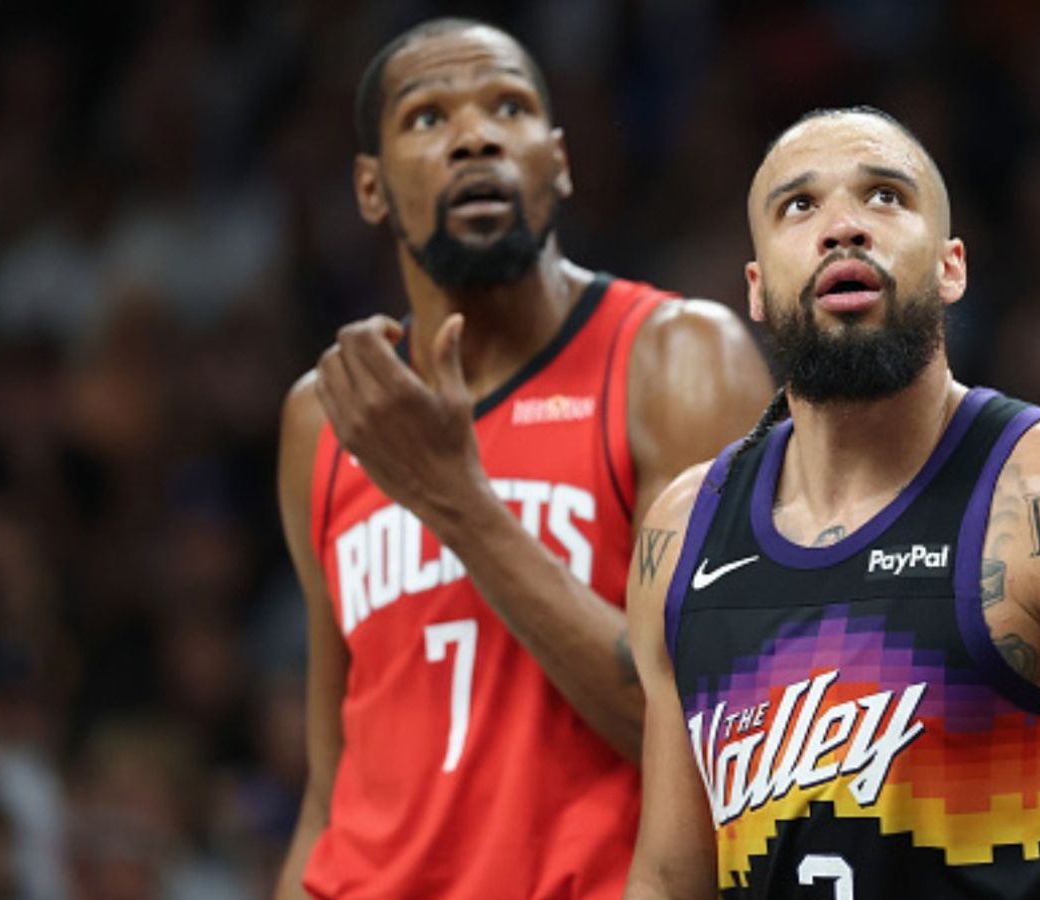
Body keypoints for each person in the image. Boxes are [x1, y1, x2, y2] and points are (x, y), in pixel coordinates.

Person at [622, 107, 1040, 899]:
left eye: (884, 197)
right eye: (799, 206)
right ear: (758, 289)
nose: (843, 228)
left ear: (951, 268)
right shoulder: (683, 530)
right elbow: (669, 878)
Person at [272, 18, 774, 900]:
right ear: (370, 188)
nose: (475, 136)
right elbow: (329, 783)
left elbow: (717, 740)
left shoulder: (677, 361)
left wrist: (460, 506)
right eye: (427, 118)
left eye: (509, 107)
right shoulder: (328, 414)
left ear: (559, 160)